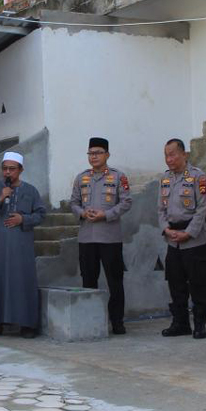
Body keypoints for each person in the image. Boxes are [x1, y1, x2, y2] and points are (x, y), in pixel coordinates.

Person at [0, 151, 46, 338]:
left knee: (22, 283)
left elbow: (41, 214)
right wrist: (0, 198)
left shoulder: (31, 191)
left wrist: (23, 219)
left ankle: (27, 325)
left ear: (21, 170)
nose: (7, 172)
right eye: (4, 168)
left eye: (12, 169)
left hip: (21, 249)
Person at [69, 137, 133, 335]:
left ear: (107, 155)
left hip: (110, 238)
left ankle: (117, 321)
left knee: (115, 281)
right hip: (86, 238)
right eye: (91, 153)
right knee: (88, 282)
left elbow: (126, 202)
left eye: (98, 153)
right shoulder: (81, 178)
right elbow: (73, 202)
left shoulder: (118, 177)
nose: (93, 156)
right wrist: (82, 213)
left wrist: (106, 214)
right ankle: (91, 321)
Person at [158, 138, 206, 339]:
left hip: (194, 240)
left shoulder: (198, 176)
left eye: (172, 155)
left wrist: (188, 233)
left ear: (184, 154)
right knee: (175, 283)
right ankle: (180, 323)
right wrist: (166, 229)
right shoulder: (165, 179)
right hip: (173, 239)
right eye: (166, 155)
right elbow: (160, 209)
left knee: (198, 283)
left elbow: (203, 208)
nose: (169, 159)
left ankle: (200, 324)